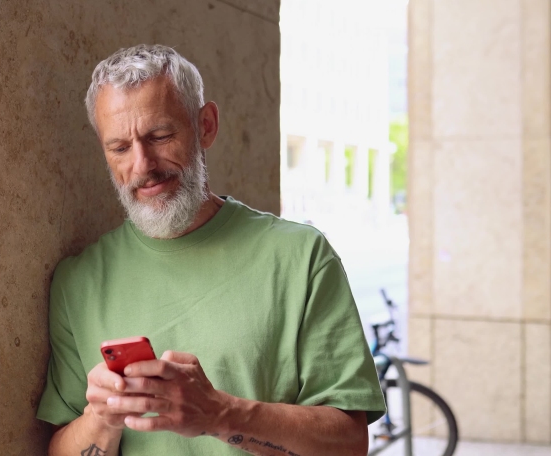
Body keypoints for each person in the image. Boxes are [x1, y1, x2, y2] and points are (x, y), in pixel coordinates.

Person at [37, 44, 385, 455]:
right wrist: (101, 416)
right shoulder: (77, 281)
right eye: (119, 148)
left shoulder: (301, 257)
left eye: (160, 136)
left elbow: (348, 444)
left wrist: (220, 413)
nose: (142, 164)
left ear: (206, 125)